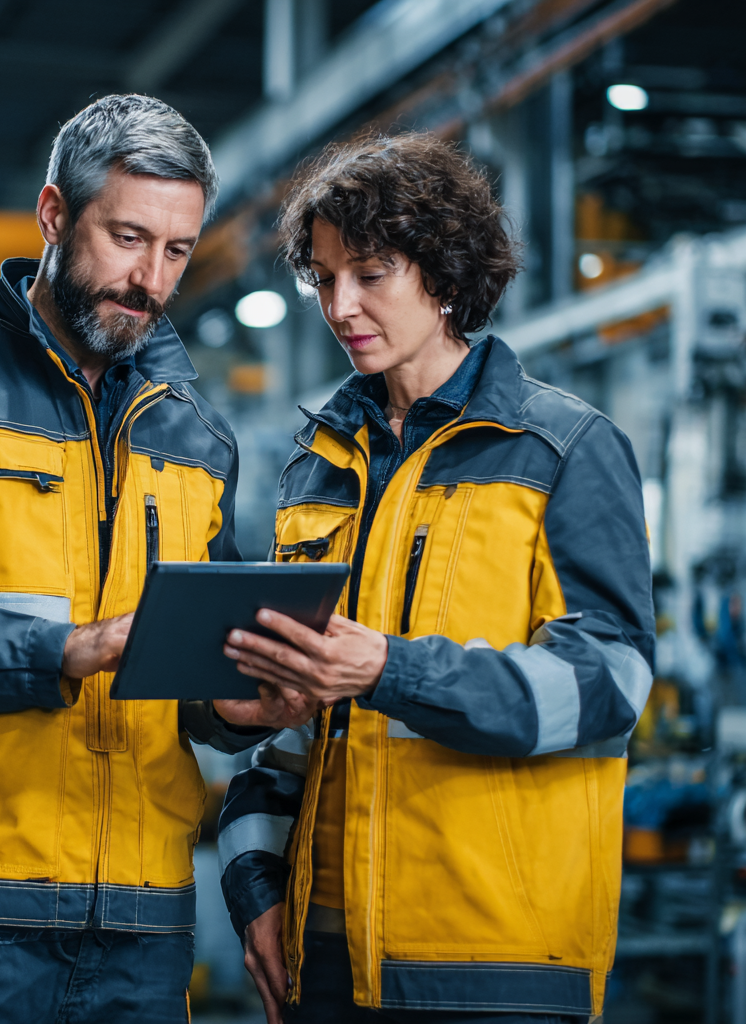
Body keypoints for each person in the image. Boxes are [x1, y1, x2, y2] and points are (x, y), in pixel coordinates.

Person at [0, 94, 312, 1024]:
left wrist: (234, 708)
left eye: (177, 251)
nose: (151, 278)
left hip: (142, 920)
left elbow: (186, 667)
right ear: (53, 215)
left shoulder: (196, 434)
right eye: (127, 237)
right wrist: (55, 650)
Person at [218, 133, 655, 1023]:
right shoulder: (318, 465)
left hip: (494, 957)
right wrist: (255, 884)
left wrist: (391, 671)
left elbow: (611, 683)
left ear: (447, 275)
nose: (341, 305)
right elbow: (290, 720)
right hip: (324, 954)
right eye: (324, 278)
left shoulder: (564, 450)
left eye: (370, 273)